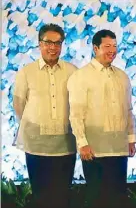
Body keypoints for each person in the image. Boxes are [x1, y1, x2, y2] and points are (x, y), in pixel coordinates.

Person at [67, 30, 136, 208]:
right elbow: (76, 113)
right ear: (95, 48)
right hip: (94, 150)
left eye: (114, 46)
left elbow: (128, 110)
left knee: (119, 198)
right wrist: (82, 142)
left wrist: (130, 139)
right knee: (97, 199)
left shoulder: (122, 76)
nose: (112, 50)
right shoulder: (81, 76)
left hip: (119, 149)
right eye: (107, 46)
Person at [13, 23, 77, 208]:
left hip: (65, 145)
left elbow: (78, 105)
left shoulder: (72, 71)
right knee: (41, 197)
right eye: (48, 42)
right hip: (36, 146)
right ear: (39, 44)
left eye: (58, 43)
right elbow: (19, 105)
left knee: (63, 196)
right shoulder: (26, 72)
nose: (53, 47)